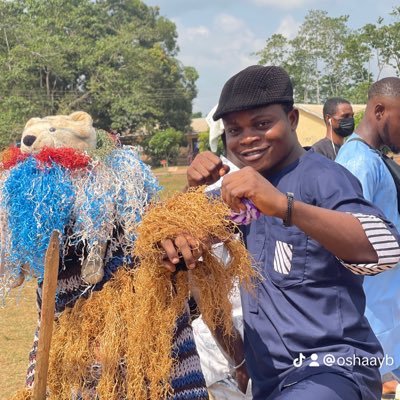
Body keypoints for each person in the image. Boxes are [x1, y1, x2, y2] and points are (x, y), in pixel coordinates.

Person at [161, 65, 400, 400]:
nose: (247, 138)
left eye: (262, 124)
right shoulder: (237, 192)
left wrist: (284, 207)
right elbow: (174, 247)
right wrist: (190, 192)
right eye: (234, 130)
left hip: (332, 371)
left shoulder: (322, 177)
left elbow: (386, 248)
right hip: (269, 381)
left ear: (292, 120)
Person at [336, 77, 400, 400]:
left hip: (388, 308)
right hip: (370, 317)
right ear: (379, 110)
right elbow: (351, 237)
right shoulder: (358, 162)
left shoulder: (374, 159)